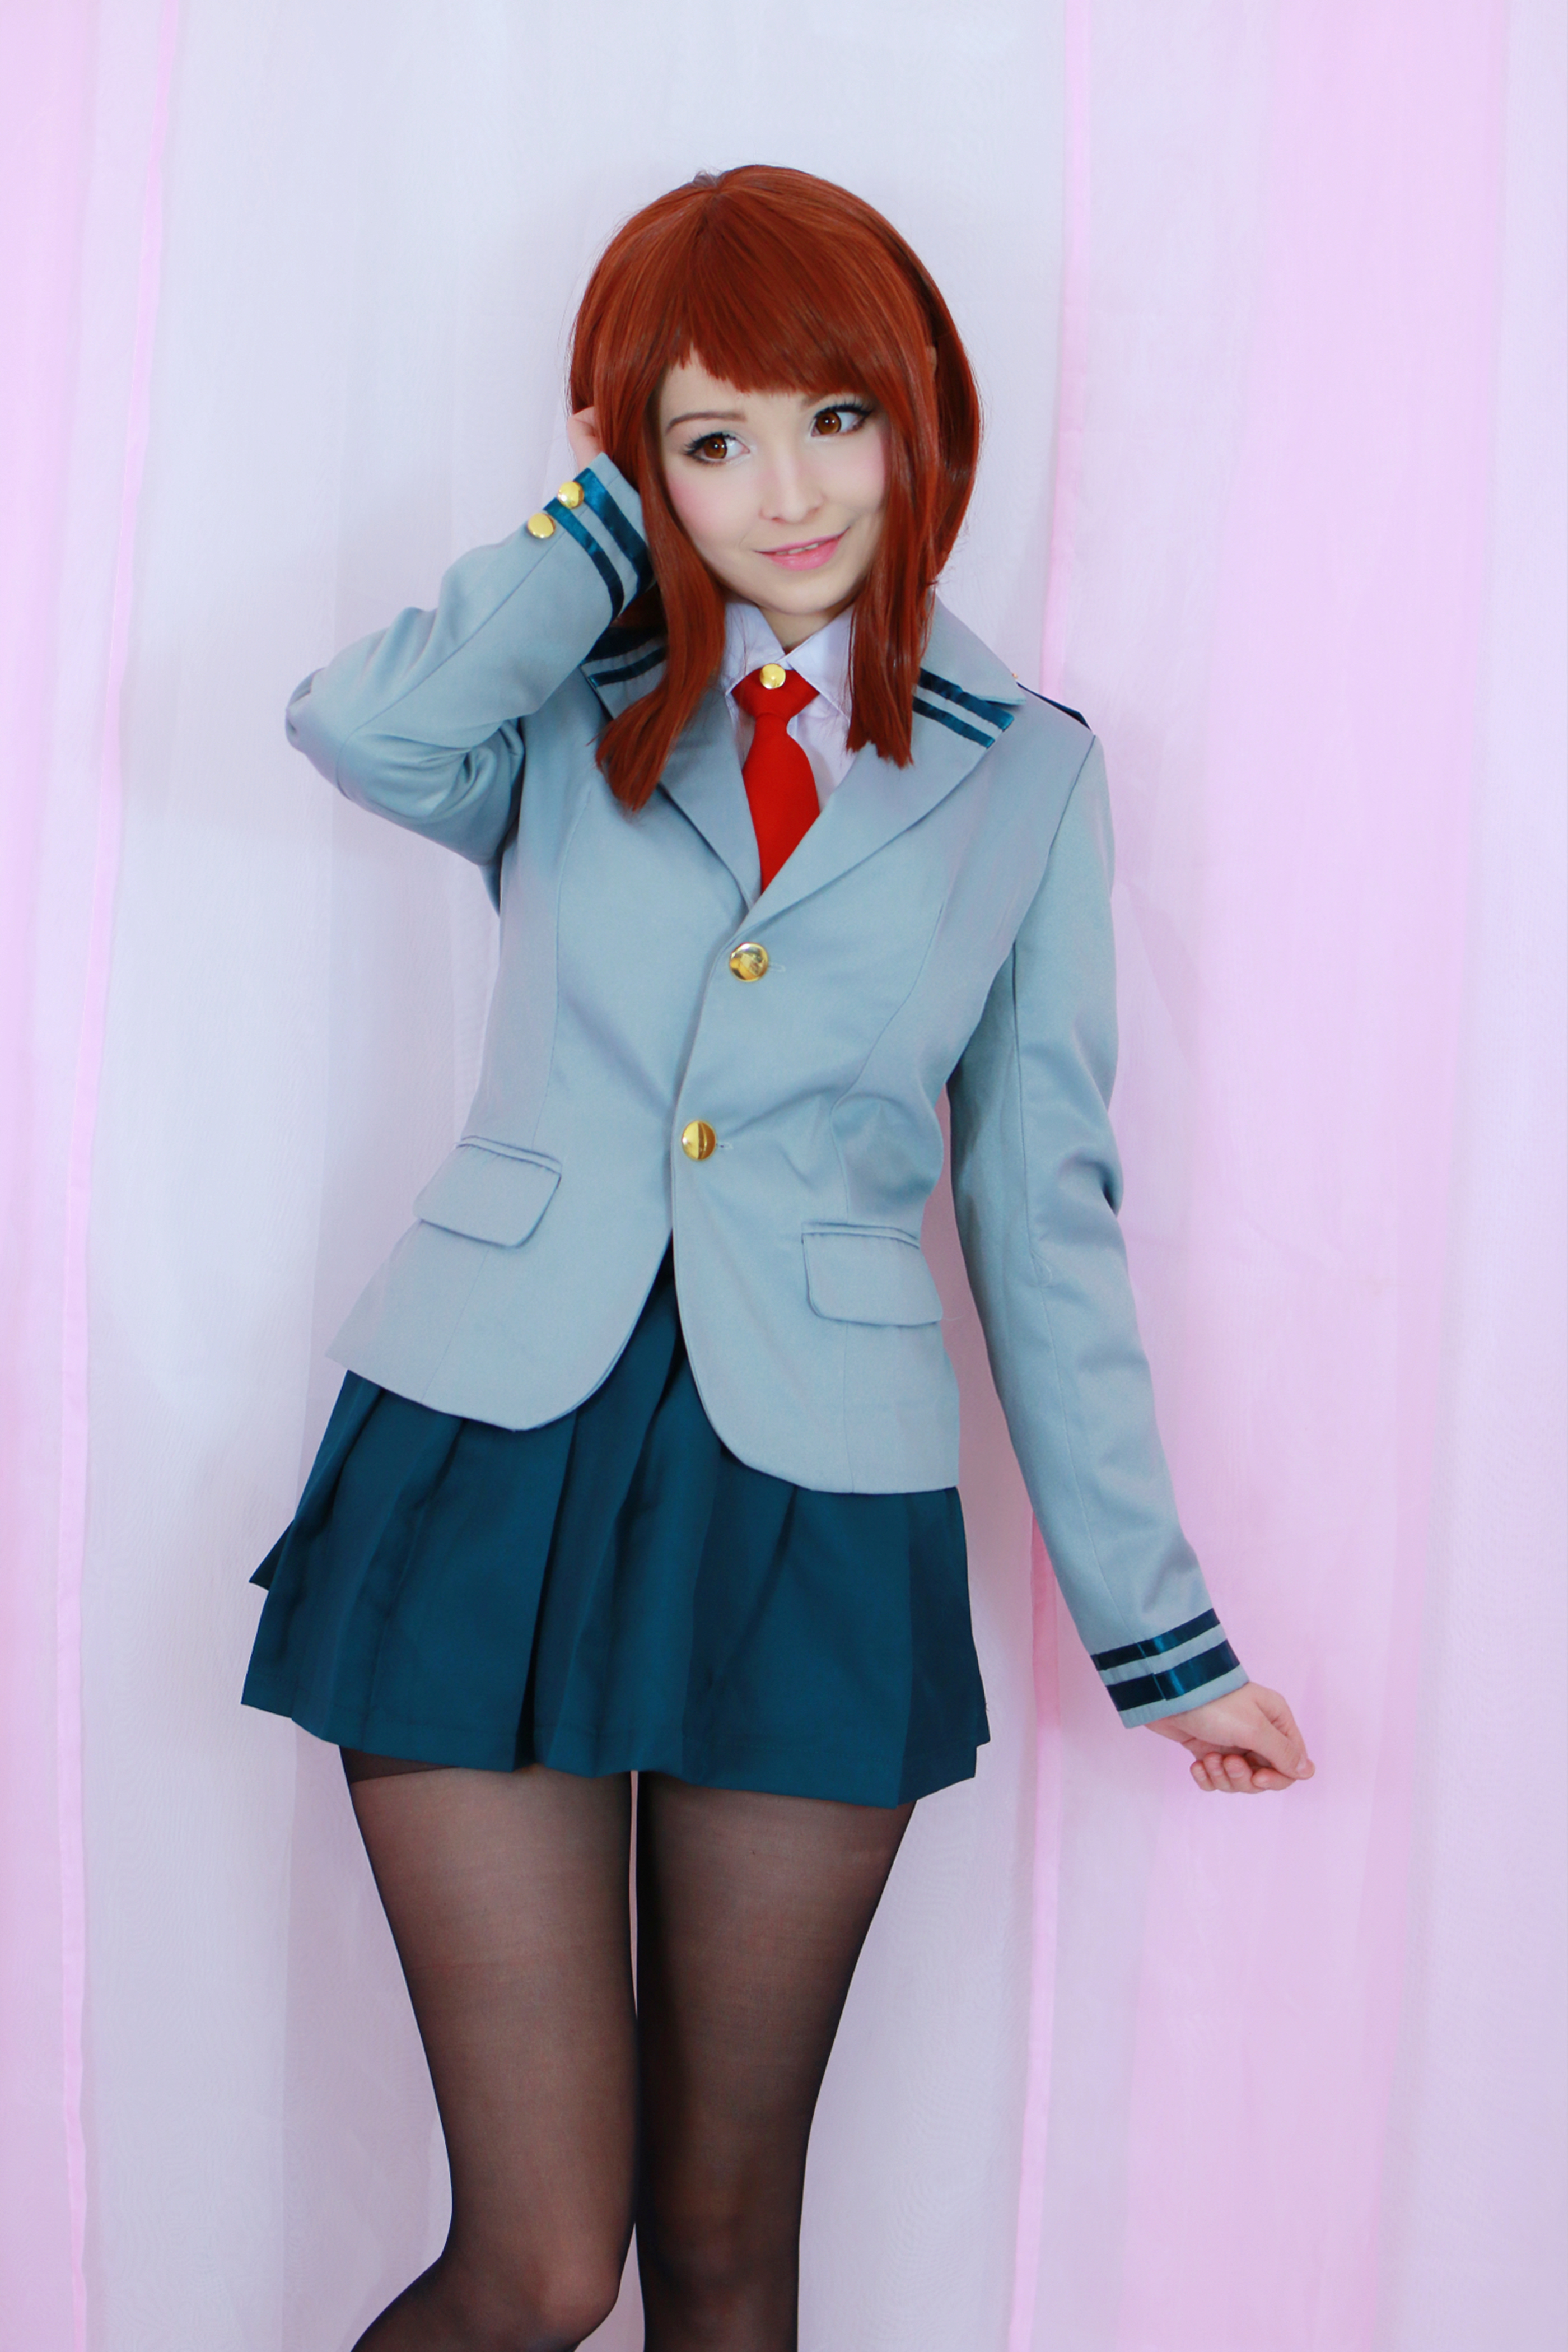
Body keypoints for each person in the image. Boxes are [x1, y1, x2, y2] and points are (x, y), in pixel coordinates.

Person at [243, 165, 1313, 2352]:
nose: (791, 492)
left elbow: (1042, 1216)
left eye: (833, 418)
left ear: (919, 414)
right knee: (542, 2268)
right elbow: (362, 727)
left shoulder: (1027, 780)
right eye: (711, 441)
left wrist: (1164, 1640)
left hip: (813, 1503)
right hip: (491, 1458)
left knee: (728, 2261)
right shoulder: (564, 700)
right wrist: (595, 532)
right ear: (638, 466)